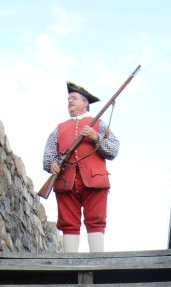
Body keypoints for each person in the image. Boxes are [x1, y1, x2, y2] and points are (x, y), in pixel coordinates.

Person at [43, 81, 120, 253]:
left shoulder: (98, 124)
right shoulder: (59, 128)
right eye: (69, 98)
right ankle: (70, 267)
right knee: (68, 223)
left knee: (96, 221)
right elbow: (48, 157)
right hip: (66, 182)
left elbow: (114, 149)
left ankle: (97, 264)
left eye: (74, 98)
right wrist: (52, 165)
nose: (70, 101)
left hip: (94, 180)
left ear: (85, 103)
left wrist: (95, 137)